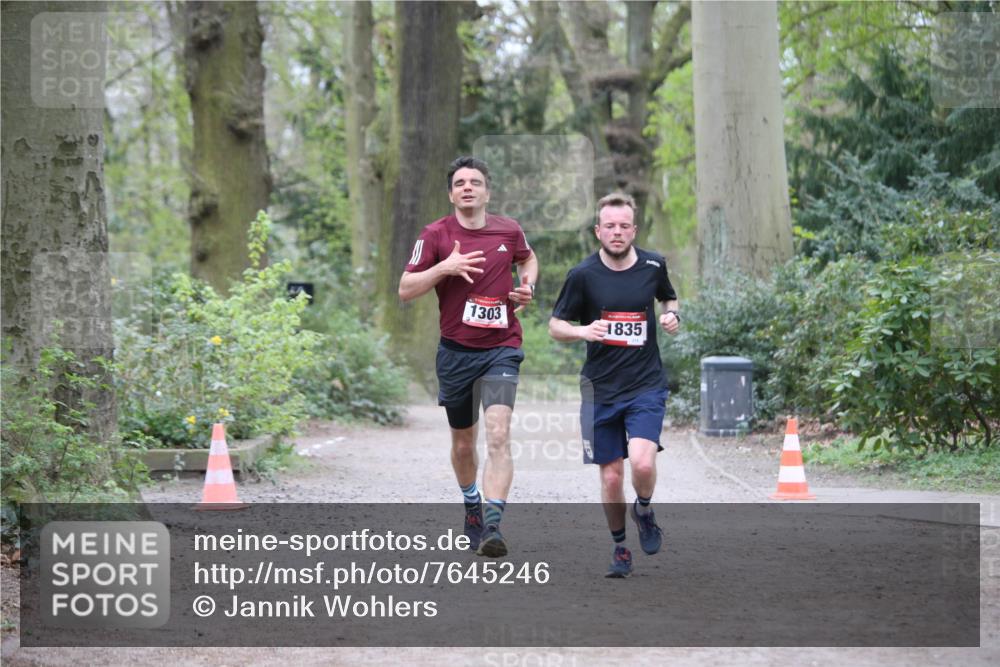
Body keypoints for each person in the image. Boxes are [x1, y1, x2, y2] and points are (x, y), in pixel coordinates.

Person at [398, 156, 538, 558]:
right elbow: (406, 289)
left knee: (497, 433)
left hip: (502, 348)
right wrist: (445, 266)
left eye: (475, 182)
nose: (468, 187)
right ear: (451, 193)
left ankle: (493, 524)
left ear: (487, 191)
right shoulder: (435, 234)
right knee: (464, 444)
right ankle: (471, 502)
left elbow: (527, 258)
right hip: (456, 352)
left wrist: (527, 284)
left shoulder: (508, 230)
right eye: (460, 182)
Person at [548, 192, 679, 578]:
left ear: (634, 230)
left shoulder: (654, 265)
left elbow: (669, 299)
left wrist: (672, 317)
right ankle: (620, 546)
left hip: (645, 385)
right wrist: (584, 330)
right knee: (610, 475)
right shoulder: (582, 275)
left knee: (641, 462)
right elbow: (556, 326)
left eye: (624, 226)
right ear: (598, 231)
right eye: (610, 226)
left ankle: (644, 508)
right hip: (600, 390)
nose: (617, 232)